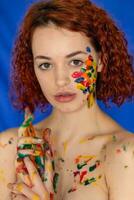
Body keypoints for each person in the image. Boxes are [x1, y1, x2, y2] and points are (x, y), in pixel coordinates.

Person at [0, 0, 134, 199]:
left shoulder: (124, 155)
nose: (60, 80)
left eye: (75, 61)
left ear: (101, 61)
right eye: (45, 65)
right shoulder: (10, 148)